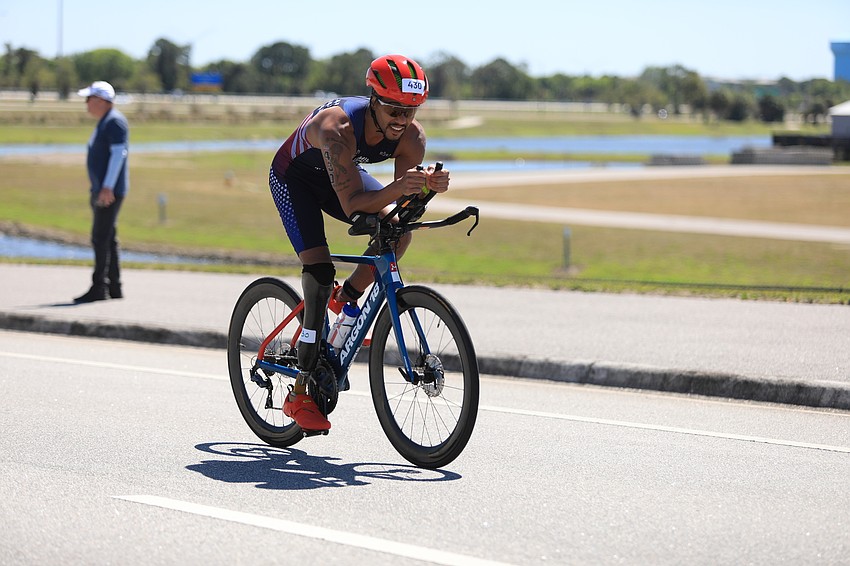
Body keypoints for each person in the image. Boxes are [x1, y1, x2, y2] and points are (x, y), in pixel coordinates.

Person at [269, 54, 450, 431]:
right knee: (319, 272)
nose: (402, 119)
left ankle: (348, 294)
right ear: (373, 99)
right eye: (394, 109)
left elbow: (402, 208)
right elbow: (353, 204)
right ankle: (300, 390)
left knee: (399, 235)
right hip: (296, 181)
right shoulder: (337, 128)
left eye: (411, 110)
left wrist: (426, 192)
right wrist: (399, 188)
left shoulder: (412, 138)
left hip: (343, 177)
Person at [73, 81, 129, 304]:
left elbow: (118, 155)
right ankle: (114, 287)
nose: (86, 104)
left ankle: (99, 287)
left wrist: (107, 187)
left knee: (100, 238)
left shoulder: (114, 122)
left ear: (101, 101)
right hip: (105, 189)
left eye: (89, 99)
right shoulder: (106, 122)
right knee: (108, 237)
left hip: (108, 192)